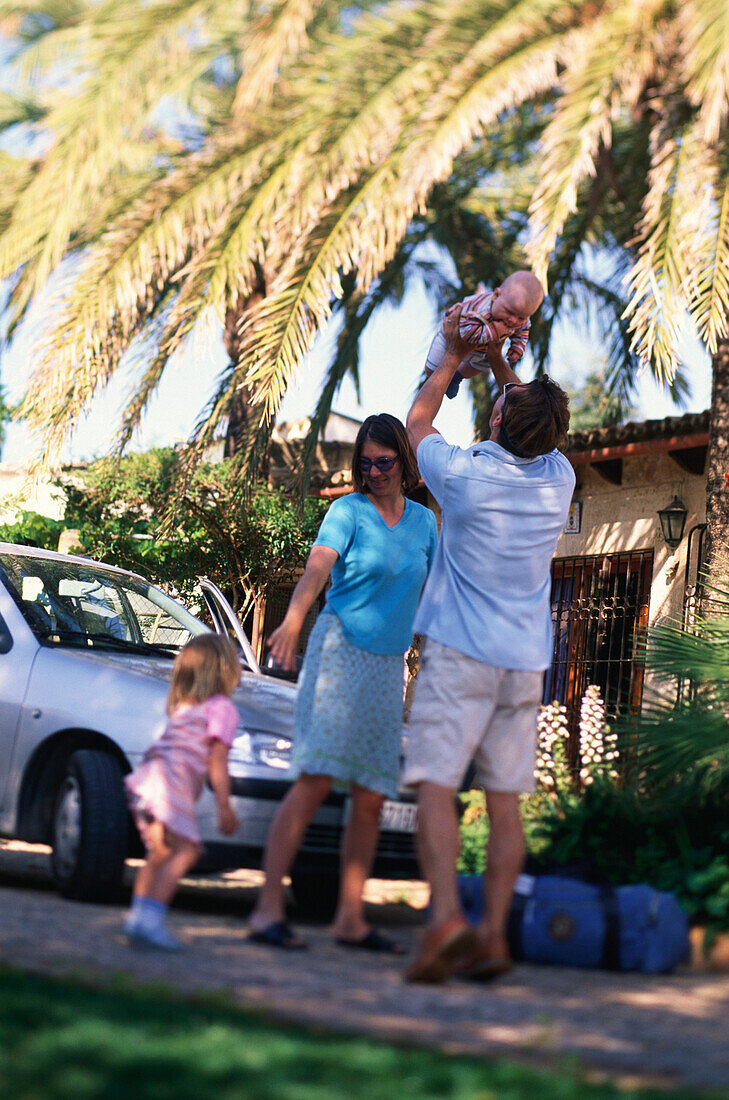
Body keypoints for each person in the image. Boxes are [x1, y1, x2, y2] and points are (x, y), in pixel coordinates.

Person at [403, 304, 575, 983]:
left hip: (460, 656)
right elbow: (532, 423)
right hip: (523, 665)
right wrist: (503, 366)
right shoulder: (556, 479)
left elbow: (417, 423)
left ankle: (446, 919)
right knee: (504, 802)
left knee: (436, 789)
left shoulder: (464, 476)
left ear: (499, 421)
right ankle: (495, 938)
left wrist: (451, 356)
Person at [248, 414, 438, 952]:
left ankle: (350, 919)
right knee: (313, 780)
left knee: (373, 794)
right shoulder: (346, 511)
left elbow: (434, 591)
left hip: (386, 665)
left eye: (385, 462)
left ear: (405, 461)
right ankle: (267, 909)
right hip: (339, 651)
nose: (375, 471)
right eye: (366, 463)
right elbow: (315, 569)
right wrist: (290, 621)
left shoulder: (425, 523)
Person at [123, 634, 241, 950]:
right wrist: (224, 806)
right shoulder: (223, 709)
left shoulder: (185, 706)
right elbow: (217, 762)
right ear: (225, 669)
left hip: (148, 780)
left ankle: (137, 918)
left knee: (160, 852)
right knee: (187, 852)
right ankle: (151, 922)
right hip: (171, 786)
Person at [424, 271, 544, 398]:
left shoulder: (521, 319)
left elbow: (523, 331)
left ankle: (456, 377)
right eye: (509, 312)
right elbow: (466, 333)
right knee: (432, 370)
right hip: (451, 338)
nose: (513, 320)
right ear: (497, 295)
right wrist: (493, 330)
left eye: (521, 317)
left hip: (482, 349)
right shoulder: (478, 309)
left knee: (479, 367)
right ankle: (439, 378)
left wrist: (517, 348)